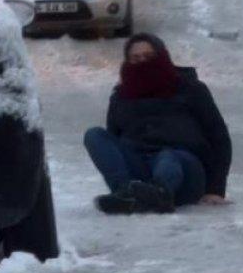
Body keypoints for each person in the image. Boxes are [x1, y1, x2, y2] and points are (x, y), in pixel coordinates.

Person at [84, 34, 232, 214]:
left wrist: (216, 189)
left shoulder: (190, 89)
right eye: (136, 58)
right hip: (140, 166)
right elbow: (114, 138)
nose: (142, 62)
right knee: (94, 135)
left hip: (185, 169)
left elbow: (219, 137)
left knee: (168, 157)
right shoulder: (121, 97)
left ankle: (159, 194)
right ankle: (126, 193)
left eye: (148, 57)